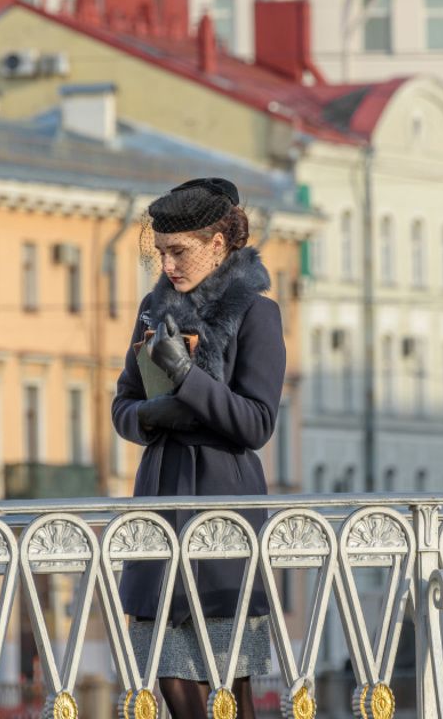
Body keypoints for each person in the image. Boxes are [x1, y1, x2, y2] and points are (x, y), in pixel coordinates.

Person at [112, 177, 286, 719]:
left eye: (179, 251)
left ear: (218, 245)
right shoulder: (153, 308)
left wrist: (185, 377)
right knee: (168, 681)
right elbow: (122, 407)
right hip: (159, 509)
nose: (168, 265)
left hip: (223, 515)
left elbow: (256, 423)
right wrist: (152, 414)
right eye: (161, 253)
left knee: (232, 696)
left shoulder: (257, 313)